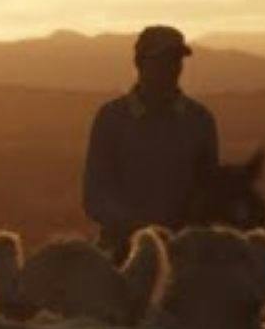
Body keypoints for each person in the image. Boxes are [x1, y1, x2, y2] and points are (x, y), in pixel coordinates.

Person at [82, 24, 220, 250]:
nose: (172, 68)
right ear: (139, 63)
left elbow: (209, 191)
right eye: (162, 60)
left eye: (176, 60)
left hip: (185, 250)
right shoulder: (111, 119)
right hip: (121, 249)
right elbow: (95, 194)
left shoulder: (200, 121)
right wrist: (137, 229)